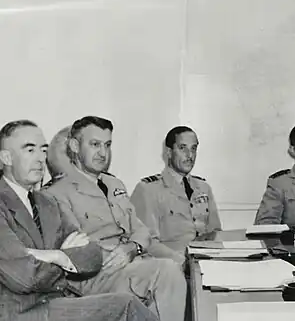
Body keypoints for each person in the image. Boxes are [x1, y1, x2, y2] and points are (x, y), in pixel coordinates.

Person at [0, 119, 157, 321]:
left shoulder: (46, 203)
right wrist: (65, 259)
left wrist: (56, 256)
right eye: (30, 150)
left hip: (56, 303)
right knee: (126, 307)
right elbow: (24, 277)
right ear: (6, 157)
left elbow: (90, 256)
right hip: (20, 313)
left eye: (43, 150)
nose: (40, 159)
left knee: (126, 303)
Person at [44, 116, 186, 321]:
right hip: (96, 276)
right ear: (75, 146)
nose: (103, 153)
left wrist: (132, 248)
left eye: (107, 145)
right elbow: (74, 248)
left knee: (182, 272)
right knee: (166, 271)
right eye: (95, 145)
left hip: (132, 264)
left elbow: (140, 229)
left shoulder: (114, 185)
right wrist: (118, 254)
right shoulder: (56, 194)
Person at [131, 126, 222, 255]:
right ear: (169, 152)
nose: (189, 155)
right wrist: (183, 263)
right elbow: (148, 243)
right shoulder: (148, 189)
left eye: (193, 148)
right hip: (172, 267)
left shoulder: (203, 188)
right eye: (182, 148)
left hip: (206, 262)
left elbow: (216, 233)